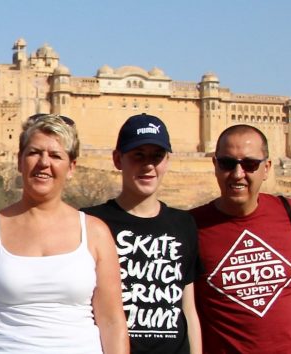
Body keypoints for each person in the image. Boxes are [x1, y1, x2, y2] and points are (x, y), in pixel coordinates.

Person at [0, 114, 129, 353]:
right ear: (19, 160)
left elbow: (112, 322)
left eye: (56, 155)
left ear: (71, 167)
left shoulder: (95, 232)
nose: (44, 163)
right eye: (34, 152)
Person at [188, 124, 291, 353]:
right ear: (215, 166)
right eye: (228, 163)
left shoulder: (290, 212)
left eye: (249, 164)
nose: (238, 174)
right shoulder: (191, 227)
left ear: (266, 168)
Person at [81, 113, 201, 353]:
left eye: (157, 156)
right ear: (118, 159)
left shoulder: (184, 224)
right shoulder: (90, 222)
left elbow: (188, 307)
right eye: (138, 155)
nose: (148, 165)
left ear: (167, 161)